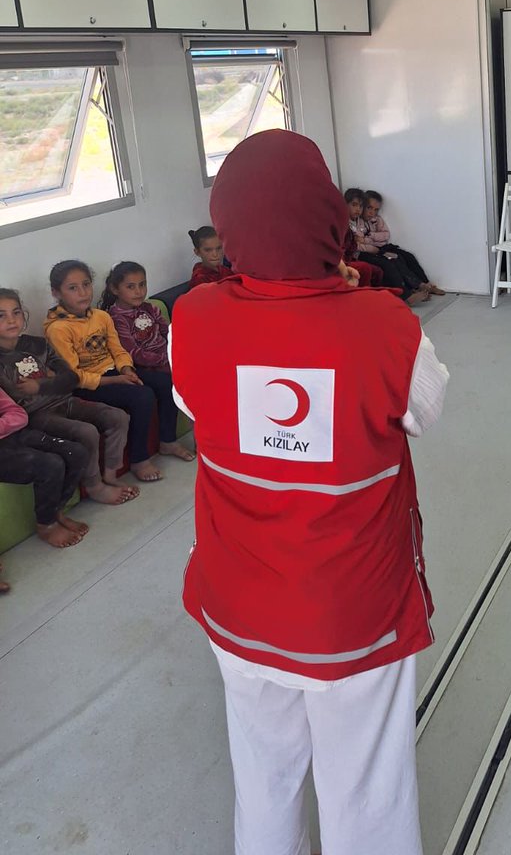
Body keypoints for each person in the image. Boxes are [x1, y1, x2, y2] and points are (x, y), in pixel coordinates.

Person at [171, 130, 449, 855]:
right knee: (366, 784)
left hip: (240, 604)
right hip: (355, 611)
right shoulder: (385, 324)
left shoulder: (191, 322)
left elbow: (199, 411)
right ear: (329, 214)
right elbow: (424, 412)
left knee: (263, 769)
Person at [0, 288, 137, 505]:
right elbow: (16, 394)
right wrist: (51, 378)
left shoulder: (38, 344)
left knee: (118, 416)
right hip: (36, 415)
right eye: (2, 315)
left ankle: (110, 474)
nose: (11, 320)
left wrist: (40, 384)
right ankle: (94, 486)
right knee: (87, 431)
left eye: (16, 312)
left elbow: (70, 378)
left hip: (65, 400)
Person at [44, 261, 164, 482]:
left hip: (114, 373)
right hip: (86, 386)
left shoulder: (101, 316)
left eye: (86, 284)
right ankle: (139, 459)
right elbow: (73, 376)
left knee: (164, 383)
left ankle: (167, 441)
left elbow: (118, 350)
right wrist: (117, 380)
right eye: (73, 288)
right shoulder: (58, 329)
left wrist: (127, 369)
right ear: (56, 292)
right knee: (142, 395)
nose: (83, 293)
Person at [100, 262, 195, 463]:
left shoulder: (150, 308)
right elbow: (132, 352)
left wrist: (178, 351)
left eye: (142, 285)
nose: (138, 291)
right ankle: (167, 440)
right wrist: (166, 359)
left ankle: (204, 435)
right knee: (170, 381)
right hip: (140, 367)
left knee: (195, 370)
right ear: (115, 289)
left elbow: (168, 332)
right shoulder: (115, 318)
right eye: (131, 286)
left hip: (164, 358)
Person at [0, 385, 91, 548]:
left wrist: (4, 425)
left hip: (13, 433)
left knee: (76, 452)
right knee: (50, 464)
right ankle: (46, 525)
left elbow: (19, 414)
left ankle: (57, 509)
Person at [345, 188, 428, 305]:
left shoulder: (364, 220)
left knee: (401, 257)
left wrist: (370, 241)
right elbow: (355, 245)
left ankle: (420, 285)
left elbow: (383, 235)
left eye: (360, 206)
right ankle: (406, 296)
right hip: (359, 254)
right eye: (354, 205)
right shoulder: (348, 222)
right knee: (387, 263)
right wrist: (374, 248)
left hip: (374, 249)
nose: (358, 209)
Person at [362, 191, 445, 297]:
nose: (372, 212)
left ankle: (427, 284)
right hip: (374, 250)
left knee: (408, 256)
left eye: (376, 210)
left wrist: (371, 236)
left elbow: (385, 235)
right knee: (395, 260)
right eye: (369, 208)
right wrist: (371, 239)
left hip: (383, 246)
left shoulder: (377, 220)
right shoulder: (359, 221)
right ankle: (415, 288)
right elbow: (361, 241)